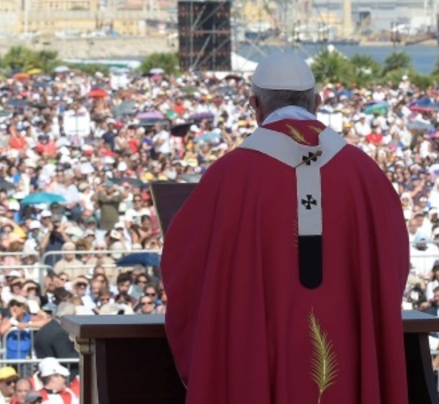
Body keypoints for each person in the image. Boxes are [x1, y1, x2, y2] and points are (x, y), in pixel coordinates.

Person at [162, 53, 411, 403]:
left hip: (259, 359)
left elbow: (182, 267)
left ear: (255, 105)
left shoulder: (228, 177)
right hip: (351, 356)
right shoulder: (366, 175)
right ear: (318, 102)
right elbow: (394, 263)